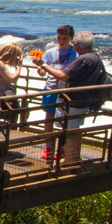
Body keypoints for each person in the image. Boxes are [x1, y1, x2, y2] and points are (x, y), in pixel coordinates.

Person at [33, 31, 109, 167]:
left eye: (74, 43)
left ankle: (71, 159)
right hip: (83, 99)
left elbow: (61, 75)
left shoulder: (83, 59)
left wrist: (43, 65)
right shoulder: (95, 57)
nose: (73, 45)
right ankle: (71, 157)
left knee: (71, 130)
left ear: (79, 45)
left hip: (74, 100)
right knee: (74, 128)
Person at [37, 25, 77, 160]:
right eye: (59, 38)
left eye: (65, 38)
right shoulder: (50, 52)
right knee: (49, 119)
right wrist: (40, 69)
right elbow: (43, 72)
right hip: (51, 89)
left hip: (66, 90)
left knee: (63, 121)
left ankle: (62, 148)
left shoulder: (75, 54)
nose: (61, 41)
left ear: (71, 38)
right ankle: (48, 147)